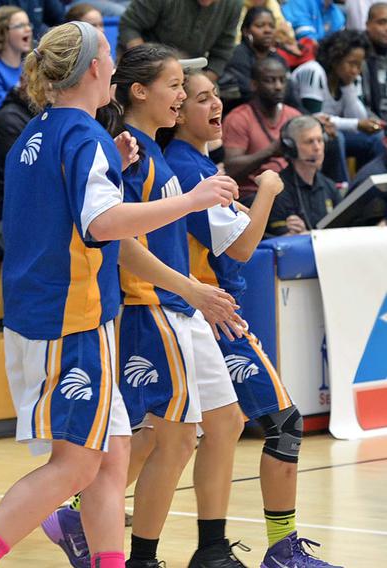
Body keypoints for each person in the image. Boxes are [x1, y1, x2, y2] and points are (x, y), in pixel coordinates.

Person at [0, 23, 240, 568]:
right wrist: (191, 201)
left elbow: (61, 205)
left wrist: (110, 162)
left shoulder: (41, 131)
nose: (115, 65)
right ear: (95, 68)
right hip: (70, 318)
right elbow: (102, 221)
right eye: (111, 56)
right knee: (76, 465)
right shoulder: (83, 136)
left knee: (113, 458)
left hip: (49, 310)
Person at [166, 69, 343, 568]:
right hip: (211, 312)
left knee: (168, 435)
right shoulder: (187, 166)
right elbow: (242, 248)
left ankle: (204, 547)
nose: (214, 104)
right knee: (283, 425)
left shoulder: (194, 162)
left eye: (215, 94)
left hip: (204, 310)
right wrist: (267, 187)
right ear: (177, 111)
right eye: (201, 98)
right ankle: (281, 550)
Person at [110, 45, 245, 568]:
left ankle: (210, 547)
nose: (183, 96)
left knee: (225, 421)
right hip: (148, 305)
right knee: (175, 436)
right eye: (175, 86)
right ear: (140, 91)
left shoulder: (155, 149)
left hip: (181, 301)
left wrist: (198, 292)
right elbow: (122, 244)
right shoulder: (130, 152)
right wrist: (191, 290)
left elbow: (161, 242)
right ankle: (139, 555)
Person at [292, 29, 386, 168]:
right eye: (351, 63)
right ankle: (341, 187)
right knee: (337, 139)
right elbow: (314, 118)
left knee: (376, 138)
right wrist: (357, 124)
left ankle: (366, 184)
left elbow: (358, 118)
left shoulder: (351, 78)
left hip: (332, 130)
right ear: (335, 58)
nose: (356, 70)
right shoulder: (313, 72)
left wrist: (348, 87)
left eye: (359, 65)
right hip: (303, 132)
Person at [223, 57, 302, 203]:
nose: (278, 86)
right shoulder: (239, 118)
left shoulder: (294, 117)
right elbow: (230, 170)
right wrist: (270, 151)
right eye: (270, 80)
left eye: (282, 80)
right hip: (253, 196)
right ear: (254, 85)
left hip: (290, 193)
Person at [118, 0, 242, 82]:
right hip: (147, 63)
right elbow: (129, 26)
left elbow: (222, 53)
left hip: (192, 70)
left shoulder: (233, 4)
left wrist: (204, 81)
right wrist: (146, 64)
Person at [0, 82, 35, 261]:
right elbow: (30, 184)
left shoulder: (36, 118)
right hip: (3, 217)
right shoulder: (9, 120)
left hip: (25, 211)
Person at [268, 116, 343, 234]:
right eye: (309, 142)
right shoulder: (277, 190)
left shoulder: (330, 187)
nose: (317, 148)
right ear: (291, 147)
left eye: (320, 140)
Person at [221, 6, 290, 107]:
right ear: (246, 31)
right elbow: (247, 92)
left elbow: (290, 95)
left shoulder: (279, 59)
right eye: (260, 25)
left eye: (271, 26)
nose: (268, 30)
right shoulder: (237, 55)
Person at [0, 6, 31, 109]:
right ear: (3, 32)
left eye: (28, 24)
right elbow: (0, 107)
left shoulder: (28, 66)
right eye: (20, 25)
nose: (28, 29)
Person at [0, 0, 64, 47]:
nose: (28, 29)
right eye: (21, 26)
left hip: (32, 52)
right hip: (4, 55)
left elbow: (61, 20)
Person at [361, 3, 387, 120]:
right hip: (370, 123)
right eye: (382, 22)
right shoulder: (357, 55)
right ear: (368, 25)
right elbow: (358, 104)